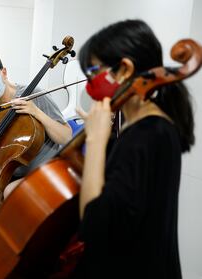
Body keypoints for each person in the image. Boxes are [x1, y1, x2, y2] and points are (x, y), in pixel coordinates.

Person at [73, 19, 194, 278]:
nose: (89, 84)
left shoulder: (147, 135)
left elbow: (95, 227)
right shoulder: (148, 128)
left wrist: (94, 142)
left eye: (93, 72)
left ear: (125, 69)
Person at [0, 49, 73, 197]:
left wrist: (36, 112)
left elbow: (66, 136)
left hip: (48, 168)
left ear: (3, 72)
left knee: (10, 192)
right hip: (16, 174)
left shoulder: (33, 94)